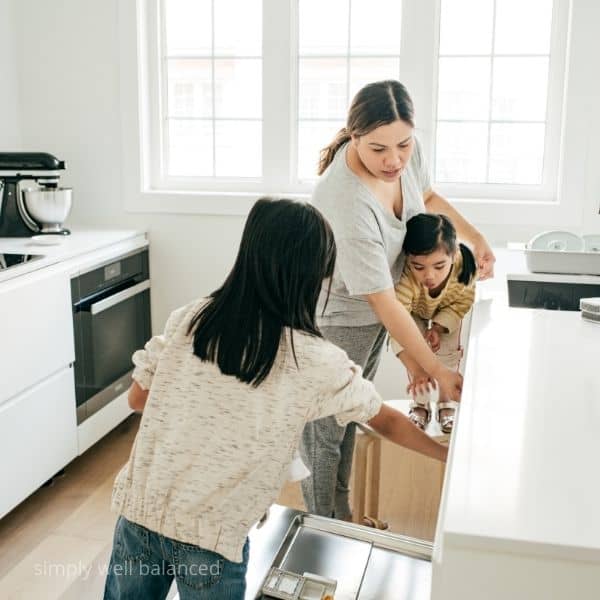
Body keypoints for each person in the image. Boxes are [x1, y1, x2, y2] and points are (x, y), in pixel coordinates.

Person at [103, 197, 448, 600]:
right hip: (212, 538)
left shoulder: (192, 318)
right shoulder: (313, 360)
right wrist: (445, 455)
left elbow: (138, 398)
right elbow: (381, 417)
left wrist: (200, 416)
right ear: (316, 277)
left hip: (141, 516)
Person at [300, 80, 495, 522]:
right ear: (354, 138)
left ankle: (343, 521)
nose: (394, 160)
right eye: (378, 149)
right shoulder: (346, 201)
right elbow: (386, 304)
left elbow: (425, 196)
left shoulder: (405, 153)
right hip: (337, 321)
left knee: (350, 417)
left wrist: (475, 236)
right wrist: (436, 369)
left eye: (403, 144)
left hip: (371, 314)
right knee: (325, 433)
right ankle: (323, 528)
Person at [392, 213, 477, 434]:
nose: (429, 275)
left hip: (448, 308)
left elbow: (461, 304)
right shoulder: (404, 279)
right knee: (416, 352)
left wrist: (439, 327)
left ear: (454, 254)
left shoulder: (464, 269)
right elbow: (397, 326)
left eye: (439, 266)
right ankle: (420, 405)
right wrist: (418, 371)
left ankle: (445, 402)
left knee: (448, 351)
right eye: (418, 267)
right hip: (411, 309)